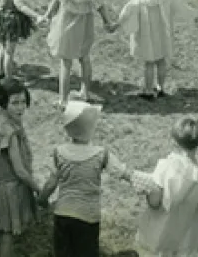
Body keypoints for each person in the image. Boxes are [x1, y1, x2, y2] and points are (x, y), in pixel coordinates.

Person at [40, 101, 135, 257]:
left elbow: (51, 182)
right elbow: (121, 172)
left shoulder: (59, 152)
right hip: (87, 216)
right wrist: (137, 179)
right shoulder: (101, 154)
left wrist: (42, 199)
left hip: (63, 214)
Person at [42, 0, 118, 109]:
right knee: (84, 58)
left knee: (66, 62)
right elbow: (100, 5)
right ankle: (85, 92)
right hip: (85, 26)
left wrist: (47, 15)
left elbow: (56, 0)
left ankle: (63, 100)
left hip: (67, 27)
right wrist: (107, 21)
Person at [131, 117, 198, 257]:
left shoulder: (166, 166)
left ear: (175, 140)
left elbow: (155, 201)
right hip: (188, 237)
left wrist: (146, 189)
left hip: (164, 233)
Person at [116, 0, 194, 99]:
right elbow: (184, 9)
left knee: (149, 64)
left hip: (147, 39)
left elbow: (125, 14)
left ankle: (147, 90)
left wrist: (114, 25)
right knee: (161, 61)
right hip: (161, 38)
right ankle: (161, 87)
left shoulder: (139, 0)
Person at [0, 77, 39, 257]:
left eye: (23, 102)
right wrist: (37, 187)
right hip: (9, 190)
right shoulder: (11, 133)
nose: (21, 107)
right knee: (6, 236)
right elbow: (20, 170)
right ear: (3, 102)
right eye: (15, 103)